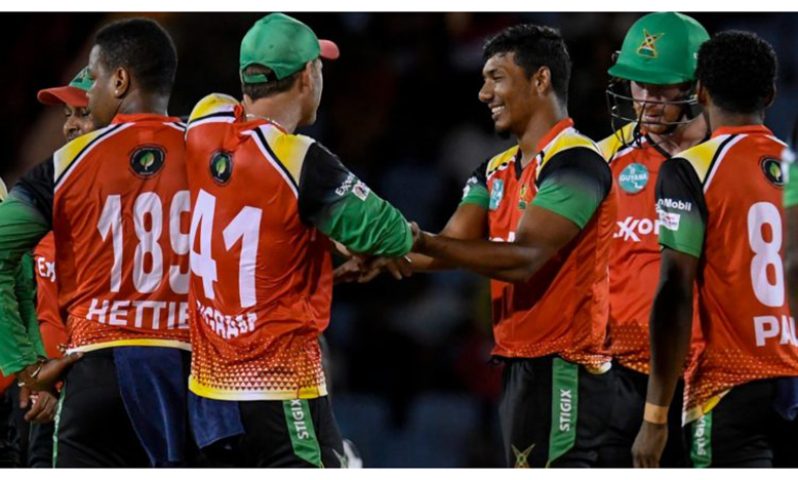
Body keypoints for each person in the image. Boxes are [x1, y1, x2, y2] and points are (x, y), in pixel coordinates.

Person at [343, 23, 615, 467]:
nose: (484, 95)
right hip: (519, 366)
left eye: (497, 78)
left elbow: (524, 260)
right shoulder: (494, 170)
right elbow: (451, 245)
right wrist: (389, 256)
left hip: (569, 369)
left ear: (540, 79)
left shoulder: (577, 163)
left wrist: (419, 240)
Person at [184, 13, 412, 467]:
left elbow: (226, 107)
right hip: (279, 388)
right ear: (309, 76)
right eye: (320, 66)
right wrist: (344, 240)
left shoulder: (202, 124)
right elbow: (394, 235)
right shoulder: (302, 161)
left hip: (208, 393)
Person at [0, 18, 194, 467]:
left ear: (119, 82)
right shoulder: (209, 149)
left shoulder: (65, 174)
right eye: (67, 114)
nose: (70, 125)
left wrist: (29, 369)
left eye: (83, 107)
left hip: (95, 372)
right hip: (185, 375)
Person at [632, 31, 798, 468]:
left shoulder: (690, 169)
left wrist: (654, 415)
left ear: (700, 91)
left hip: (727, 385)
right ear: (771, 94)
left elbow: (675, 289)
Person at [597, 12, 709, 467]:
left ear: (699, 85)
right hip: (620, 380)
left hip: (710, 382)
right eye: (637, 84)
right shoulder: (600, 161)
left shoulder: (731, 162)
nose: (646, 100)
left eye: (662, 87)